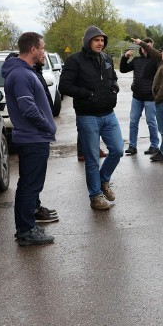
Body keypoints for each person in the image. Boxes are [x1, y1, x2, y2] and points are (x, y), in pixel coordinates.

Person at [1, 32, 57, 246]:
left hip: (34, 138)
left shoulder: (24, 72)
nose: (43, 50)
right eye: (42, 47)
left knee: (30, 185)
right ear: (33, 49)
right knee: (29, 186)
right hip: (33, 138)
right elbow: (28, 108)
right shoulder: (21, 75)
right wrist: (47, 125)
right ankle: (25, 231)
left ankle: (27, 227)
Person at [59, 26, 123, 210]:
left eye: (102, 40)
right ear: (88, 41)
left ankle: (103, 181)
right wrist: (87, 94)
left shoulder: (107, 59)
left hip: (109, 114)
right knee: (92, 158)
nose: (100, 43)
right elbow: (64, 86)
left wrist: (114, 87)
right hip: (87, 116)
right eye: (96, 40)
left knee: (118, 150)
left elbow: (113, 78)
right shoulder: (75, 61)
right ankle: (95, 196)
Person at [119, 37, 160, 156]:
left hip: (150, 97)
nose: (145, 49)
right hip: (137, 96)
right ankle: (132, 146)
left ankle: (154, 146)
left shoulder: (156, 60)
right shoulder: (137, 60)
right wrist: (125, 57)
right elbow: (123, 69)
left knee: (151, 122)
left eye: (148, 46)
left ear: (152, 47)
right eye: (143, 47)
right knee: (133, 122)